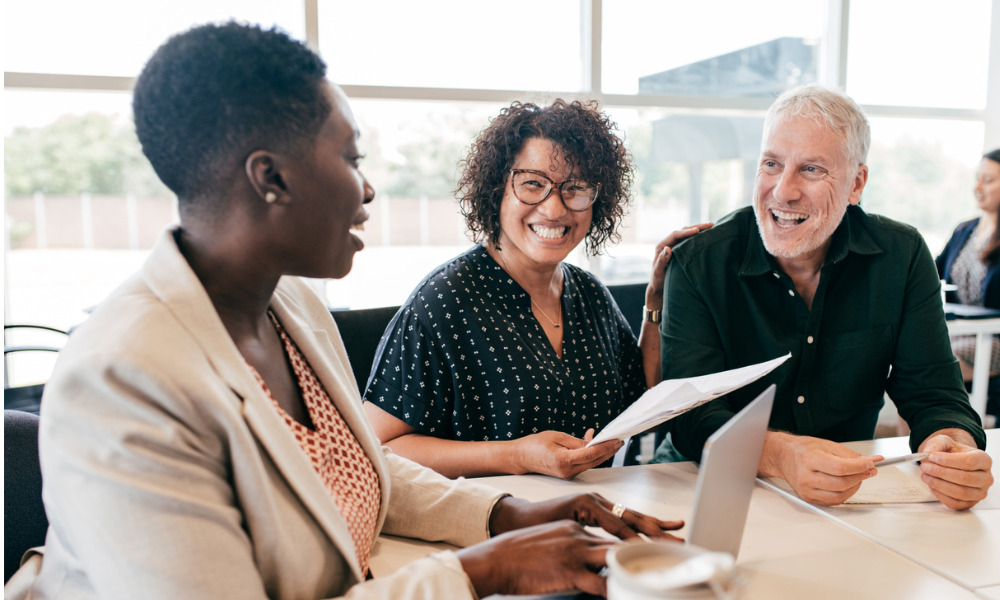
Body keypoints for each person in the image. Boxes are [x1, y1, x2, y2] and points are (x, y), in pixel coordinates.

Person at [3, 22, 686, 600]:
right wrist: (482, 571)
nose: (367, 189)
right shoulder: (123, 375)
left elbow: (357, 465)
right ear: (271, 177)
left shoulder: (290, 304)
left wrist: (511, 514)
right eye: (350, 157)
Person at [657, 84, 993, 510]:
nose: (783, 191)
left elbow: (934, 394)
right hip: (704, 481)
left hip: (846, 493)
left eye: (812, 169)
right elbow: (691, 415)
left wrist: (953, 448)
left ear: (856, 183)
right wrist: (782, 455)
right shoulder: (699, 263)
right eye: (771, 164)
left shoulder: (902, 255)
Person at [363, 99, 709, 479]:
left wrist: (656, 300)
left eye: (575, 189)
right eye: (533, 184)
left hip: (591, 513)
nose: (555, 209)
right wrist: (515, 456)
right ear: (497, 190)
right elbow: (380, 448)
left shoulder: (588, 293)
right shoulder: (443, 303)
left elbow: (642, 393)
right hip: (489, 523)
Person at [936, 149, 1000, 419]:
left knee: (932, 369)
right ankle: (915, 452)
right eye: (977, 179)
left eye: (988, 180)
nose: (978, 187)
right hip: (959, 331)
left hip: (994, 337)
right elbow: (931, 275)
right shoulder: (965, 230)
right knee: (910, 363)